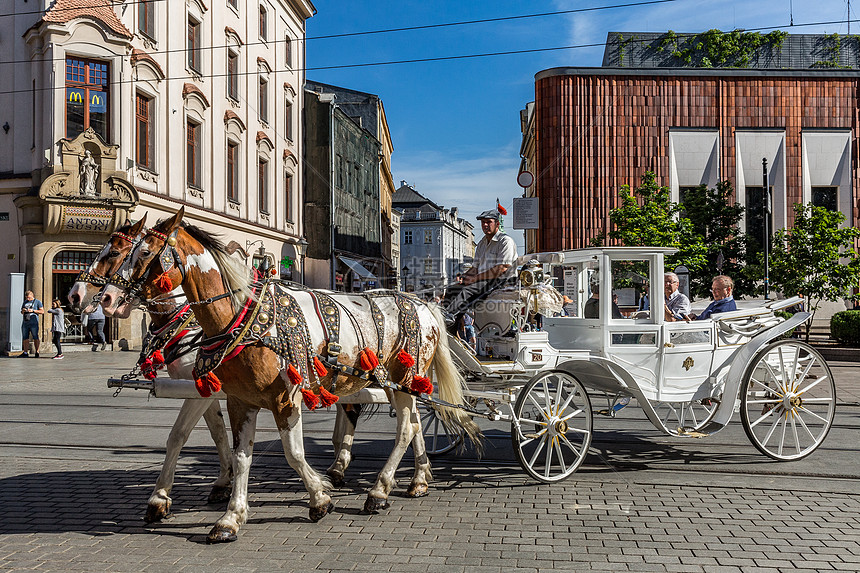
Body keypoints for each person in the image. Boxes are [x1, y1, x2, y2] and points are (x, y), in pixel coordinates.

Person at [443, 208, 518, 321]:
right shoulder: (482, 243)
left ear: (497, 224)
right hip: (483, 280)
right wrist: (463, 277)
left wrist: (474, 279)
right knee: (452, 289)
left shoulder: (505, 241)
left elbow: (501, 268)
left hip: (502, 281)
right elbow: (475, 268)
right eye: (483, 222)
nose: (485, 225)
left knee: (467, 291)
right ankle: (450, 323)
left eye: (489, 222)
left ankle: (448, 315)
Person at [19, 290, 44, 357]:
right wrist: (23, 311)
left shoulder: (37, 302)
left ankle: (37, 352)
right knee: (25, 337)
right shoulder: (25, 302)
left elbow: (42, 311)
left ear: (32, 296)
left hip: (34, 322)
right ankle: (25, 352)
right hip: (25, 321)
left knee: (35, 336)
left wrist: (33, 310)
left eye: (29, 297)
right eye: (27, 297)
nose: (28, 299)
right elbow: (21, 312)